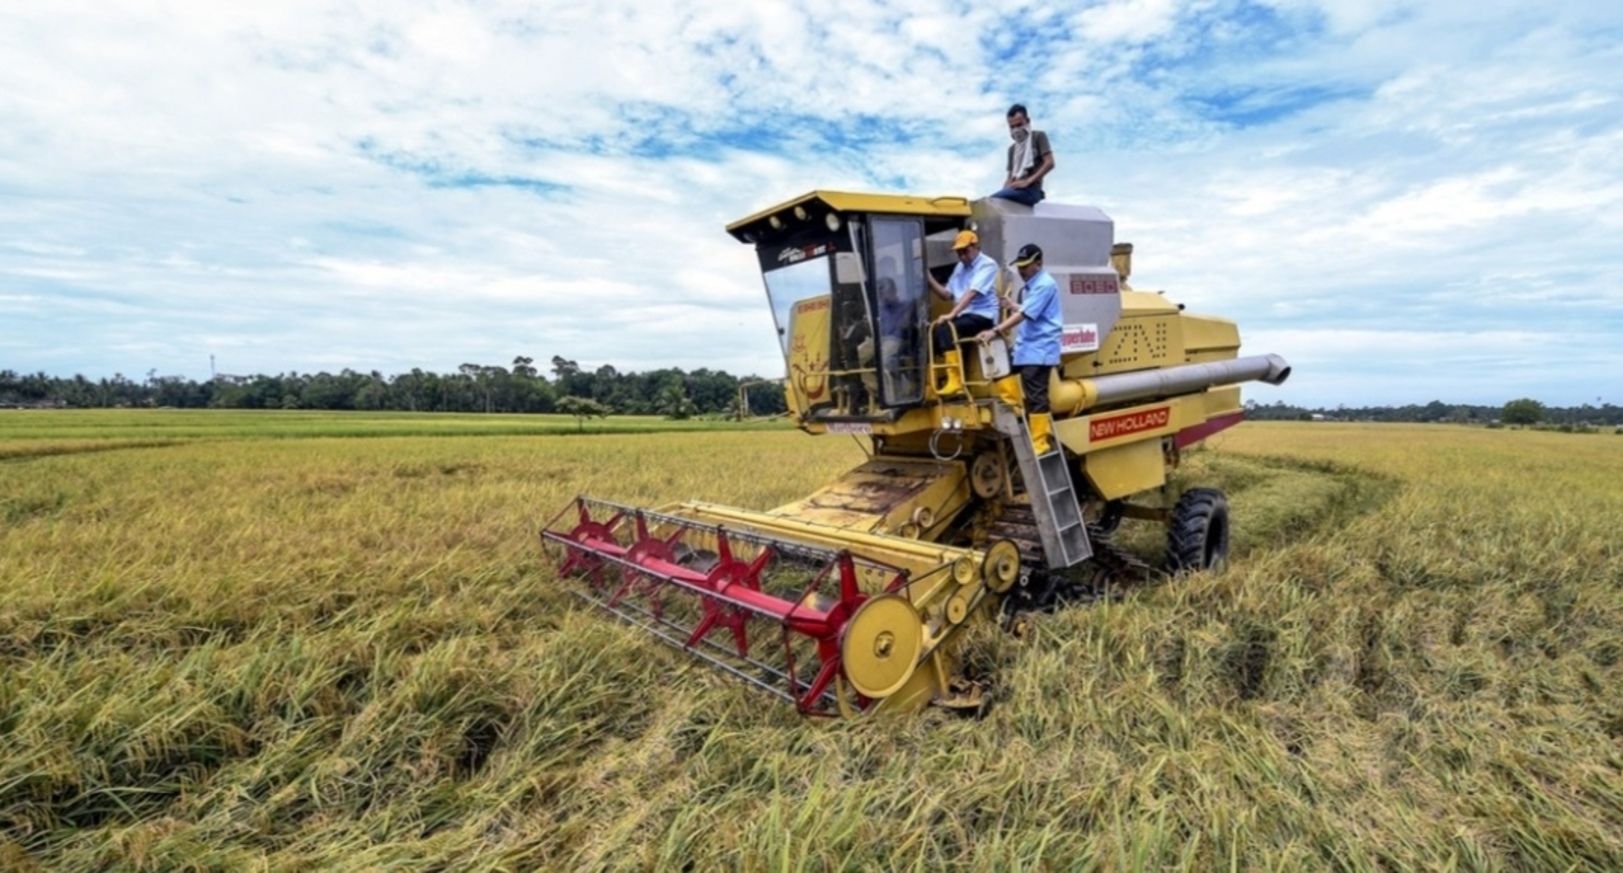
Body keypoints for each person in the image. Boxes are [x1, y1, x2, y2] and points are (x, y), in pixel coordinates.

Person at [978, 243, 1061, 453]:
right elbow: (1029, 309)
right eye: (1020, 266)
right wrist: (1012, 306)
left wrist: (994, 331)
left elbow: (1025, 315)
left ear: (1039, 264)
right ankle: (1015, 408)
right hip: (1026, 346)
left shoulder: (1045, 285)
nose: (1022, 270)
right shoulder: (1033, 285)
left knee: (1035, 396)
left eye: (1026, 266)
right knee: (998, 365)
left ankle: (1039, 443)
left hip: (1040, 349)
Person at [928, 230, 1000, 395]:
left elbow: (972, 293)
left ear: (975, 247)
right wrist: (929, 278)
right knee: (932, 331)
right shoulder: (960, 267)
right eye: (959, 253)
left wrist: (951, 314)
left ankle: (956, 379)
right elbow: (947, 294)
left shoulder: (987, 264)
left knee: (947, 329)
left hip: (983, 316)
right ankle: (936, 378)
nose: (962, 256)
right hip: (965, 315)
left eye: (965, 251)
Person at [990, 103, 1054, 207]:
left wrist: (1028, 181)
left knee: (994, 199)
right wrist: (1005, 189)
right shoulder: (1012, 149)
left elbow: (1049, 163)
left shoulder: (1038, 136)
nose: (1016, 129)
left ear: (1027, 121)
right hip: (1014, 188)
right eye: (1012, 127)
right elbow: (1010, 176)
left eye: (1019, 125)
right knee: (991, 202)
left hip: (1031, 190)